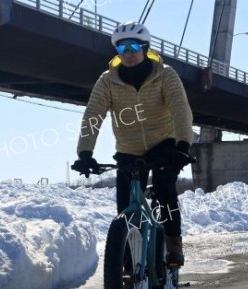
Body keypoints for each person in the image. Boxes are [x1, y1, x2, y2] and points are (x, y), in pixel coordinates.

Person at [72, 21, 194, 267]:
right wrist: (85, 152)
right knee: (124, 206)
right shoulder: (108, 80)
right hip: (128, 148)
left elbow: (180, 109)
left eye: (134, 46)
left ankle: (173, 245)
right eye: (121, 48)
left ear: (146, 48)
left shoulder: (165, 75)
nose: (128, 52)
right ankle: (127, 266)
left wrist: (183, 146)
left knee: (165, 191)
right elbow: (93, 115)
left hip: (164, 143)